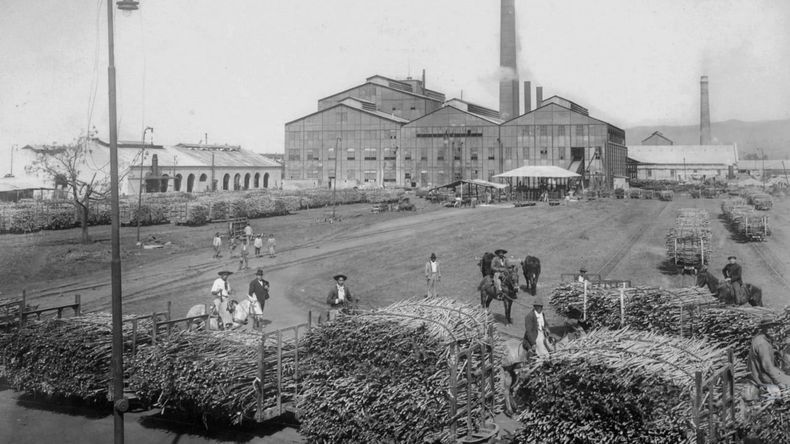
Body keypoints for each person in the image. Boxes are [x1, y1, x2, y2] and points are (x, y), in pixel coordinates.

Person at [745, 319, 790, 399]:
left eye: (773, 327)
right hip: (761, 377)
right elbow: (767, 367)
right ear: (763, 328)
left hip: (760, 373)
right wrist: (778, 382)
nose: (772, 329)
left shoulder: (760, 338)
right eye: (768, 327)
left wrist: (773, 351)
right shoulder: (763, 344)